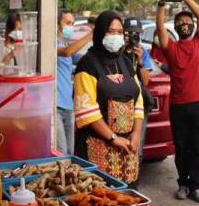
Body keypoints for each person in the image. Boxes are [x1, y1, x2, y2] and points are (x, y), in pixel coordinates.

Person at [73, 11, 144, 184]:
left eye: (119, 32)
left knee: (128, 197)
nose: (116, 36)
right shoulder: (87, 64)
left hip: (127, 148)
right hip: (97, 146)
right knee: (100, 199)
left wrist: (136, 134)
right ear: (99, 33)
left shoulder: (126, 62)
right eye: (110, 31)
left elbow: (139, 100)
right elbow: (86, 110)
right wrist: (113, 138)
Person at [156, 0, 199, 203]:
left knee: (196, 148)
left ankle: (195, 186)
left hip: (198, 104)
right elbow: (160, 26)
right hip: (178, 105)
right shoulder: (171, 48)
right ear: (176, 28)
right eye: (180, 23)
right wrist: (161, 4)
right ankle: (183, 184)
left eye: (187, 22)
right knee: (181, 148)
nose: (184, 24)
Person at [56, 10, 93, 154]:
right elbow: (67, 52)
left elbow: (79, 58)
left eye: (72, 23)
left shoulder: (65, 43)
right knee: (61, 152)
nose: (70, 27)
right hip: (56, 106)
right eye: (67, 23)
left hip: (68, 106)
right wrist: (90, 35)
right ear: (57, 24)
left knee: (70, 152)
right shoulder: (53, 43)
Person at [123, 17, 154, 168]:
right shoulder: (117, 49)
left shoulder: (142, 52)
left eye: (137, 33)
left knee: (137, 144)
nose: (133, 36)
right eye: (129, 33)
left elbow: (146, 81)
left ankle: (134, 178)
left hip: (138, 104)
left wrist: (140, 61)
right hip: (120, 102)